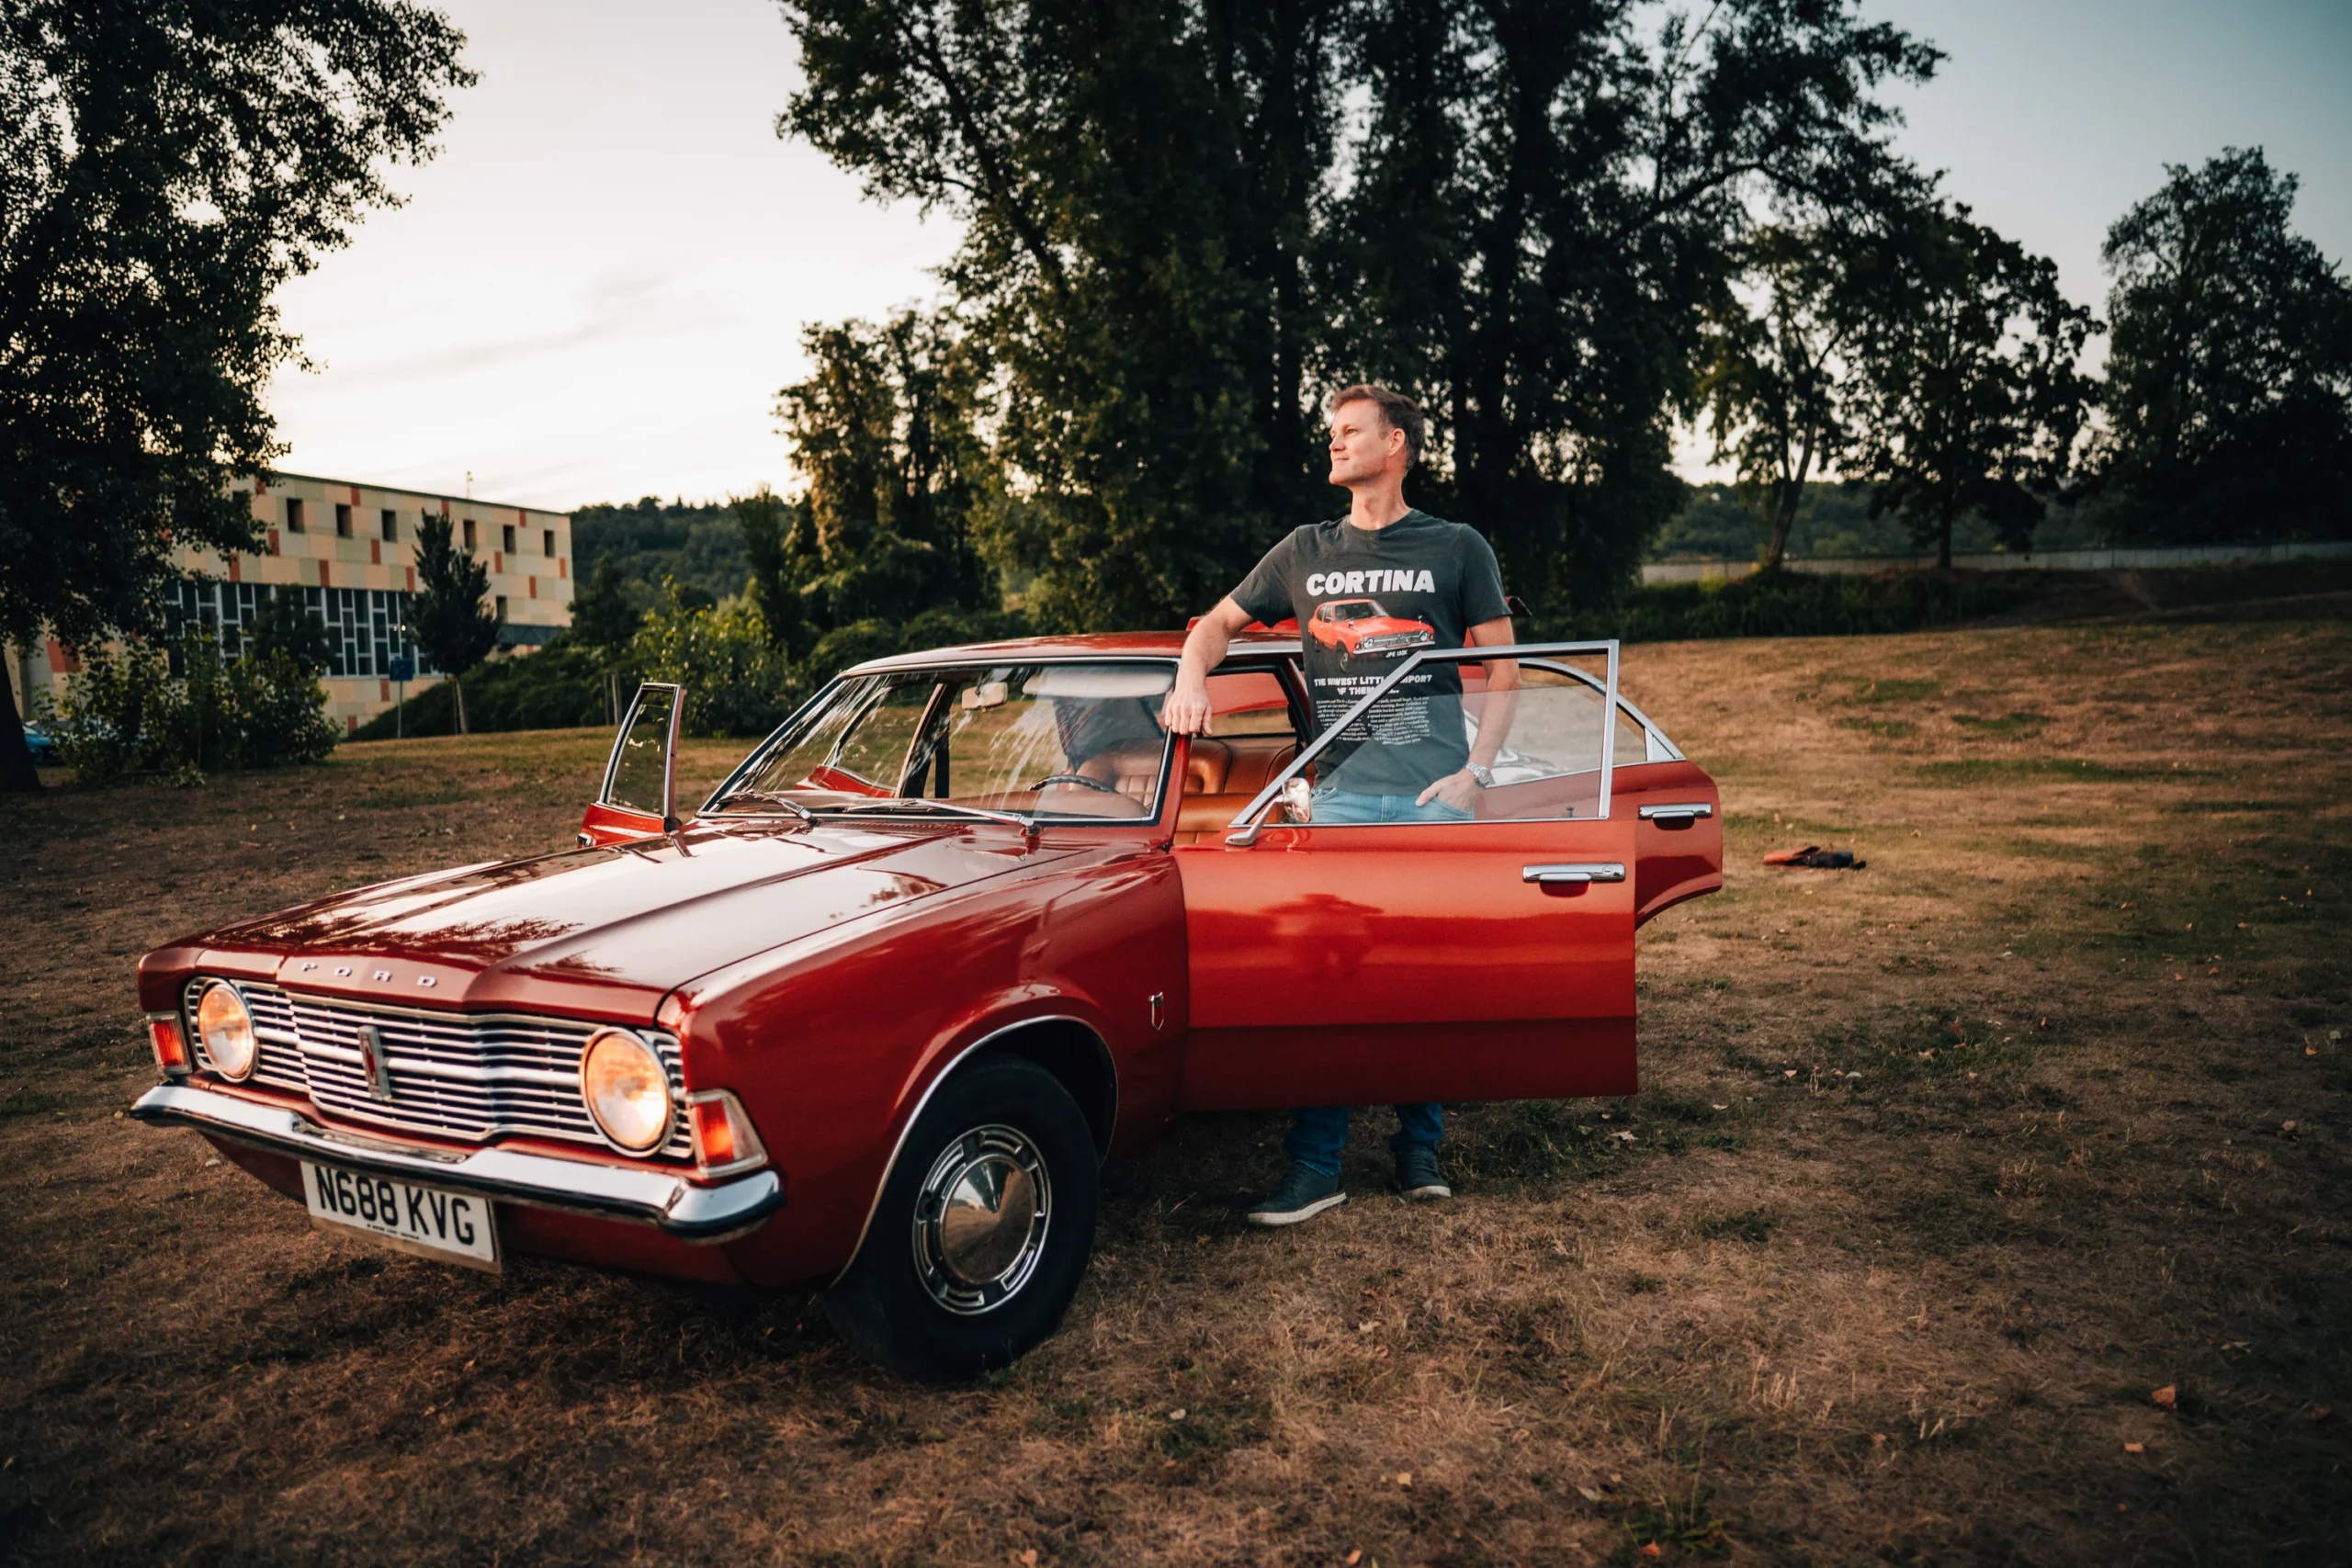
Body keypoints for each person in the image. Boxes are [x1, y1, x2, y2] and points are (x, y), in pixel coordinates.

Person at [1159, 383, 1520, 1226]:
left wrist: (1478, 772)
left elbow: (1506, 668)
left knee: (1426, 979)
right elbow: (1214, 626)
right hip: (1343, 794)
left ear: (1396, 444)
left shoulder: (1458, 546)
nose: (1335, 443)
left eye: (1350, 431)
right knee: (1325, 982)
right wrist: (1188, 675)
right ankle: (1315, 1167)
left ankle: (1418, 1148)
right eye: (1333, 432)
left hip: (1436, 792)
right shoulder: (1302, 550)